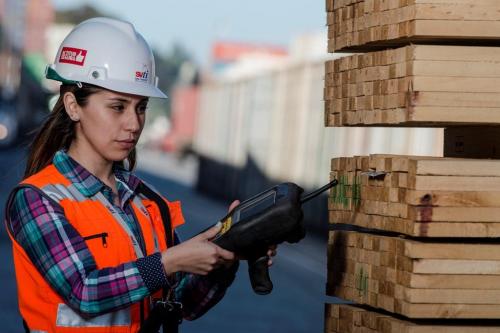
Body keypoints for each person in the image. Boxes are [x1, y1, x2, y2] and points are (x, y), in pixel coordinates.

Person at [4, 17, 277, 333]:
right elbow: (84, 292)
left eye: (141, 107)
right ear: (72, 106)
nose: (134, 124)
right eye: (118, 107)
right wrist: (170, 261)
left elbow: (184, 304)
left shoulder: (148, 203)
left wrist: (225, 255)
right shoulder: (37, 199)